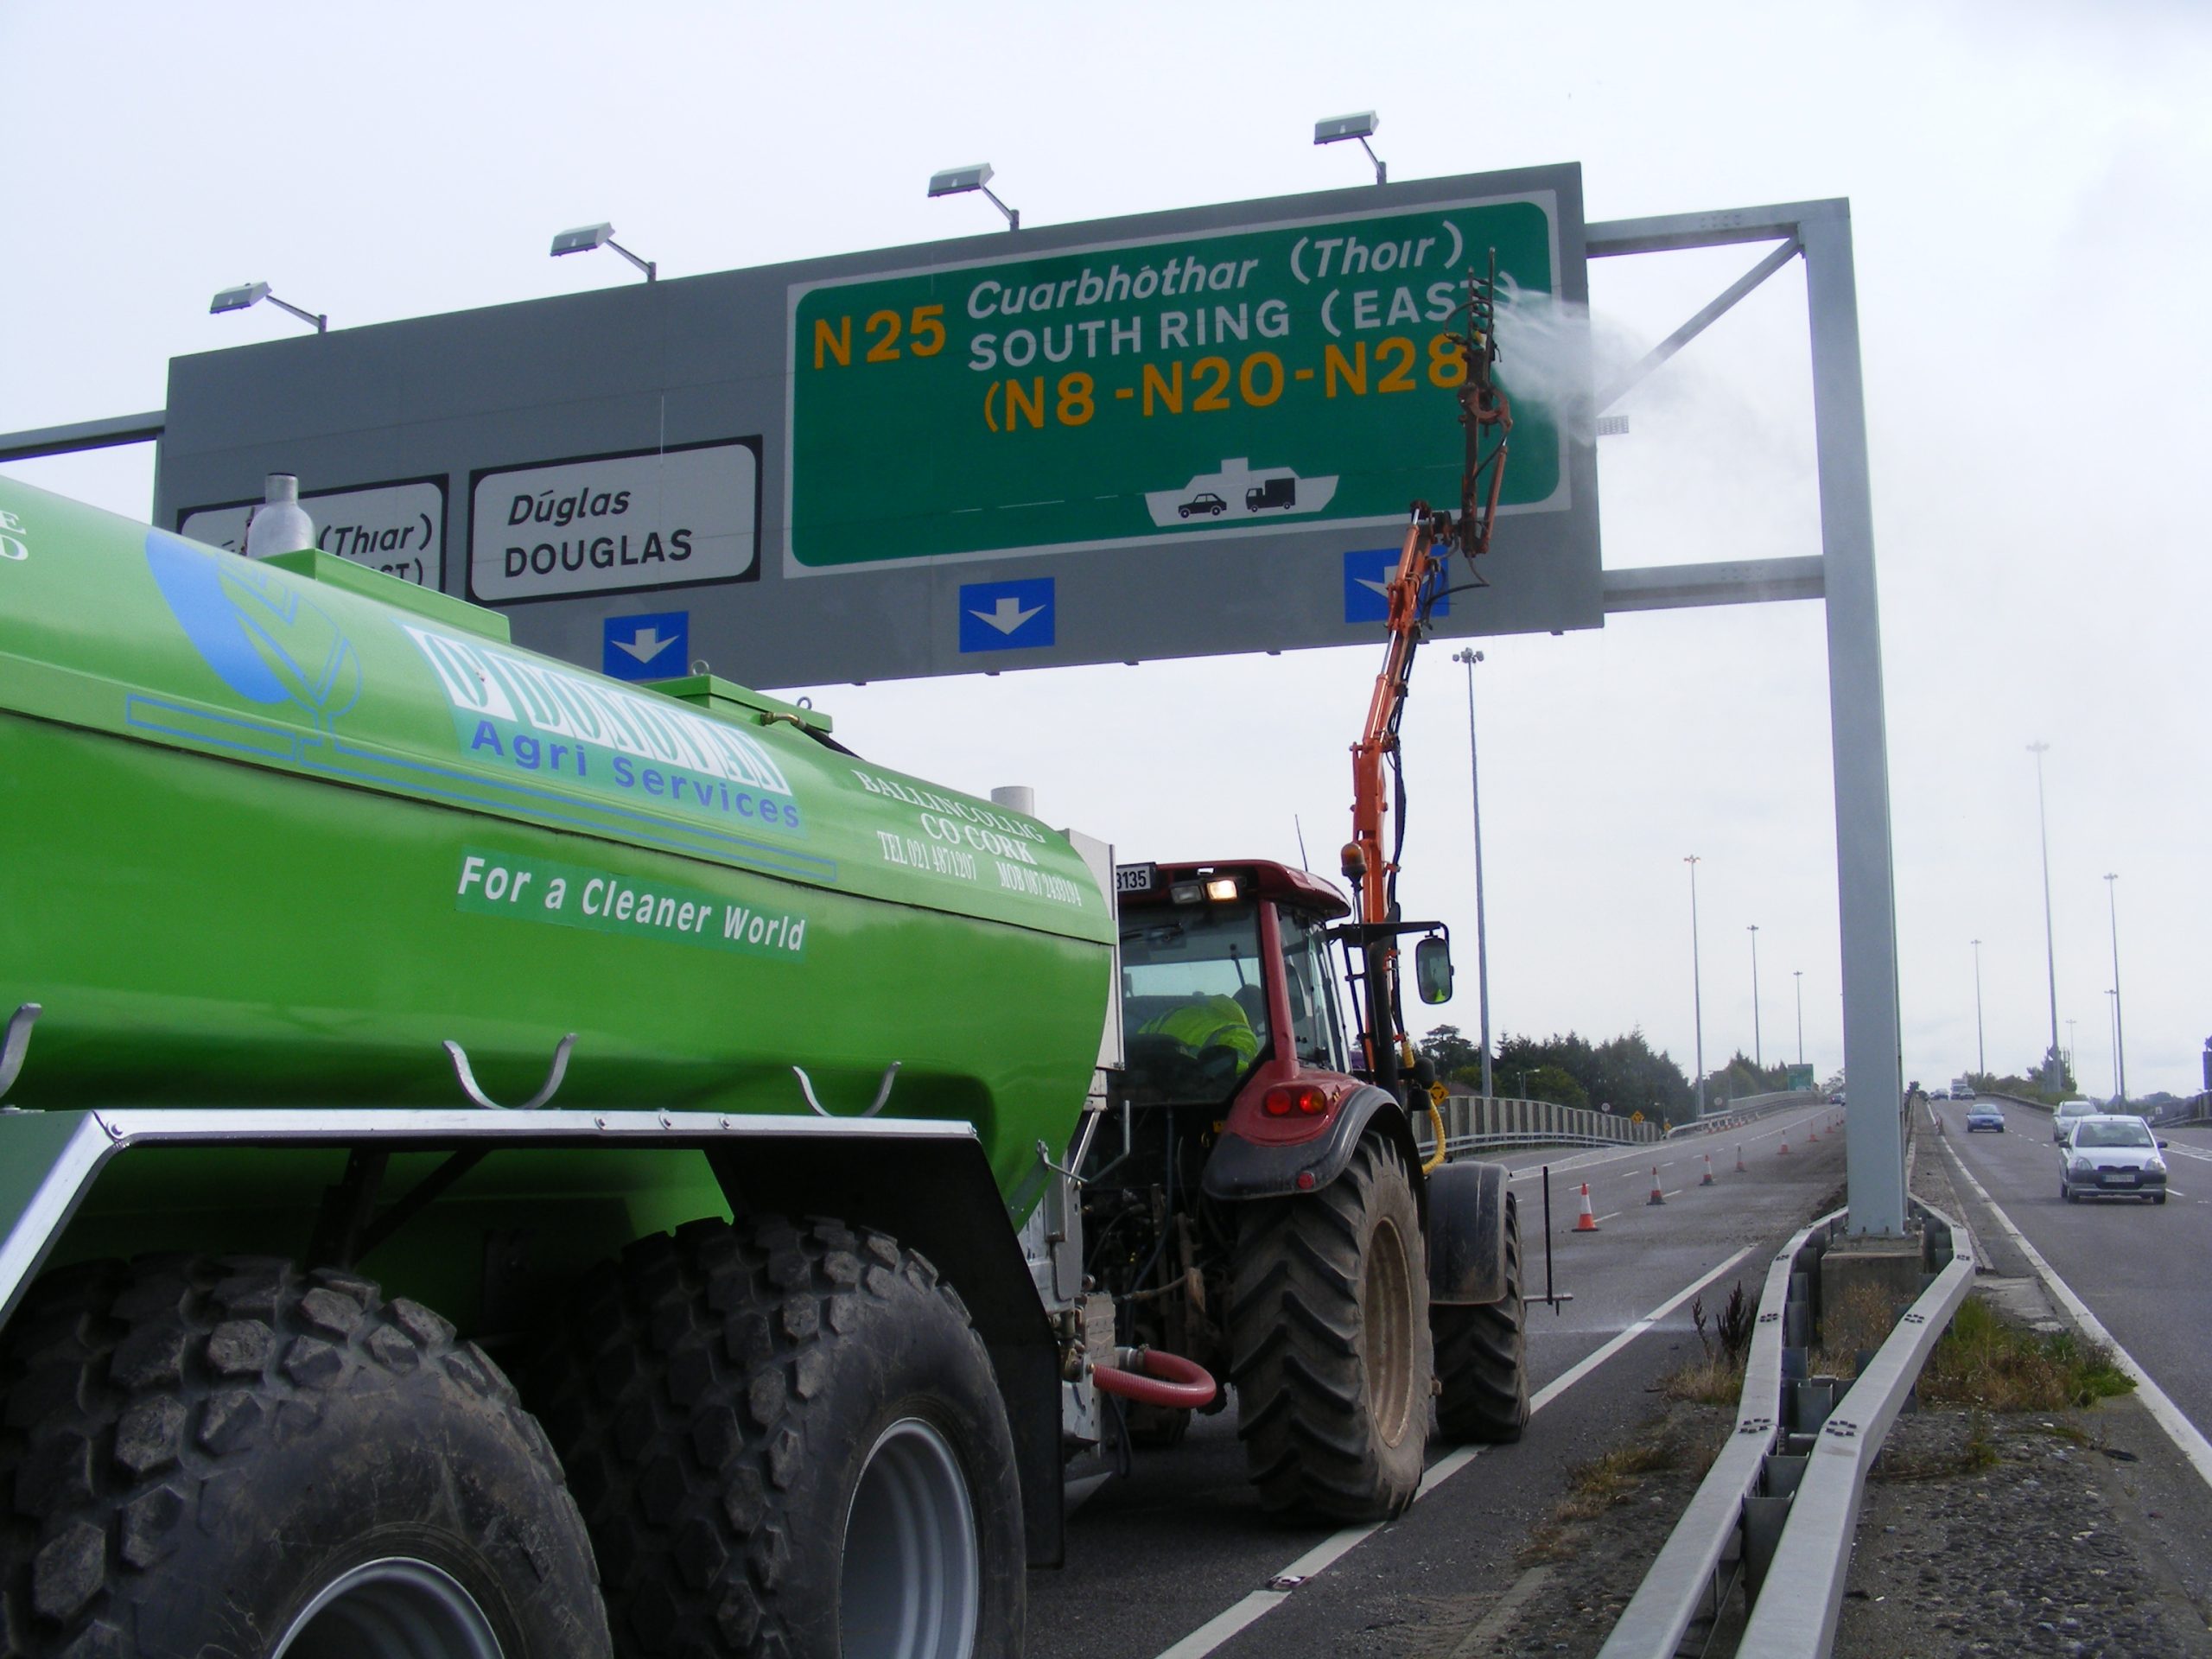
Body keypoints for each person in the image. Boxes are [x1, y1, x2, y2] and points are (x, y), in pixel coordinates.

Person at [1141, 994, 1258, 1061]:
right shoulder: (1243, 1035)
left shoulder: (1173, 1014)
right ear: (1256, 1018)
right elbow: (1237, 1071)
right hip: (1199, 1098)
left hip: (1143, 1094)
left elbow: (1136, 1044)